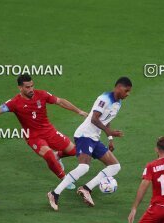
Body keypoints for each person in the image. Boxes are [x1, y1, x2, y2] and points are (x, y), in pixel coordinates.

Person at [0, 74, 87, 187]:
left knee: (76, 151)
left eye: (32, 86)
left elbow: (60, 101)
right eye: (27, 87)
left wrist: (79, 111)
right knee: (48, 155)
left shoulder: (42, 94)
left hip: (49, 131)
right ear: (20, 88)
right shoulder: (14, 103)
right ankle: (64, 179)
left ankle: (58, 156)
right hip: (33, 136)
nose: (31, 89)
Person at [47, 77, 132, 210]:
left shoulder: (118, 103)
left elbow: (107, 119)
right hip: (84, 135)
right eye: (126, 91)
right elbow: (94, 119)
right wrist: (109, 131)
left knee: (115, 166)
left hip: (94, 138)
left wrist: (109, 137)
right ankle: (54, 193)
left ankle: (86, 189)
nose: (128, 94)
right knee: (84, 167)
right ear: (118, 88)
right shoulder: (104, 99)